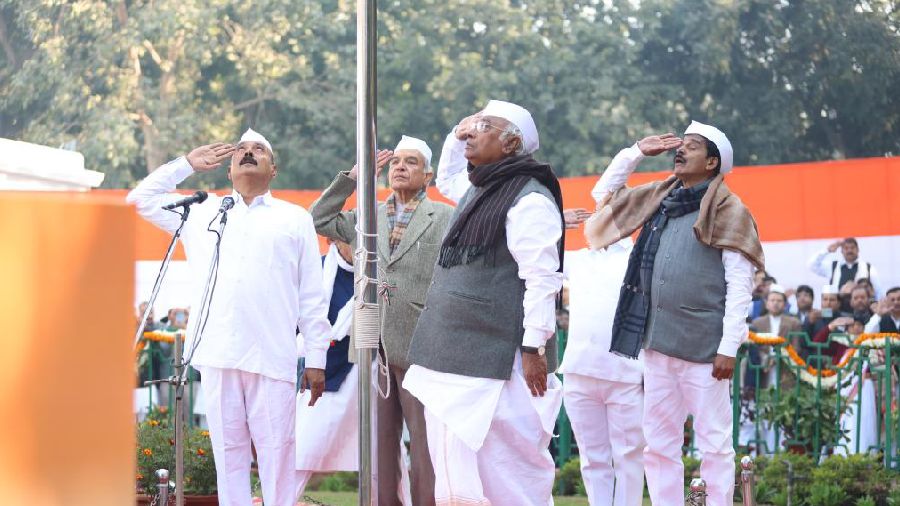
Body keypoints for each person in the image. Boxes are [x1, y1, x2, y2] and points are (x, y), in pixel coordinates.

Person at [126, 129, 331, 506]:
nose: (248, 152)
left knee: (278, 452)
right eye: (241, 149)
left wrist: (317, 358)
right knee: (228, 453)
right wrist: (186, 165)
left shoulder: (294, 219)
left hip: (272, 355)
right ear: (228, 168)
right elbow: (138, 200)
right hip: (218, 353)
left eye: (259, 150)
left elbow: (312, 297)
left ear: (274, 169)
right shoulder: (203, 211)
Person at [585, 122, 763, 506]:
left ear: (712, 162)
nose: (680, 151)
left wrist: (729, 347)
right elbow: (602, 196)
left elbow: (739, 287)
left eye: (693, 147)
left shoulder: (731, 211)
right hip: (658, 344)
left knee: (715, 442)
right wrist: (634, 152)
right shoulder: (660, 199)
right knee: (659, 443)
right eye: (680, 146)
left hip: (705, 350)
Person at [403, 100, 565, 506]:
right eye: (472, 125)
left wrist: (534, 347)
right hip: (452, 355)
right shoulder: (481, 189)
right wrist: (457, 133)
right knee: (455, 474)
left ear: (511, 142)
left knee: (505, 470)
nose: (472, 133)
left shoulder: (529, 199)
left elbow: (543, 279)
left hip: (501, 363)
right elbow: (448, 175)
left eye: (484, 126)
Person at [310, 135, 452, 505]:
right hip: (373, 343)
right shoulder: (366, 215)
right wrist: (353, 179)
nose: (400, 167)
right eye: (395, 162)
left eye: (411, 162)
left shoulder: (445, 217)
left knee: (424, 445)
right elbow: (320, 218)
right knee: (379, 445)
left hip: (421, 344)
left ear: (429, 174)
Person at [559, 239, 645, 506]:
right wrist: (560, 219)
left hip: (625, 373)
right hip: (579, 369)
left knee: (629, 457)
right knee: (591, 457)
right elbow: (536, 249)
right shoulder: (578, 258)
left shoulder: (640, 257)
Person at [293, 239, 361, 498]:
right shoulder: (317, 271)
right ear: (335, 240)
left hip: (371, 375)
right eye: (349, 239)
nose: (355, 245)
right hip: (325, 374)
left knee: (383, 457)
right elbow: (297, 323)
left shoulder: (379, 274)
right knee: (302, 452)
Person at [808, 238, 880, 295]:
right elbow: (812, 265)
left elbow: (877, 291)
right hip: (838, 311)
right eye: (846, 248)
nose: (849, 250)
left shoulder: (868, 268)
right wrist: (827, 250)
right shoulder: (833, 266)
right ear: (841, 251)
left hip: (862, 310)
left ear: (858, 250)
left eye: (852, 248)